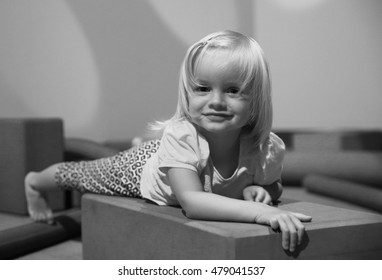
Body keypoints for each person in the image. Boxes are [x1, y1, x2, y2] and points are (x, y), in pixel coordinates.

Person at [25, 30, 311, 253]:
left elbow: (273, 184)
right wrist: (259, 212)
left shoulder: (265, 147)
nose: (216, 101)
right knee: (83, 174)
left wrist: (263, 192)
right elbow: (192, 202)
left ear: (257, 101)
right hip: (142, 169)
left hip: (175, 159)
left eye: (234, 90)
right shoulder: (183, 133)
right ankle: (35, 181)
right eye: (202, 88)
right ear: (188, 93)